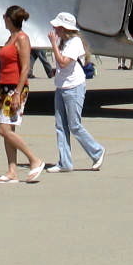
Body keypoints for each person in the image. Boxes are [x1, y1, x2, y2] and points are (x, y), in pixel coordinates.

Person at [0, 5, 45, 184]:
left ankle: (34, 159)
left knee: (4, 129)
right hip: (5, 87)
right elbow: (4, 68)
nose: (2, 19)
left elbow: (26, 67)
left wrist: (17, 93)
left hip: (16, 88)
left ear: (9, 19)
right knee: (7, 130)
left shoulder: (22, 38)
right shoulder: (10, 38)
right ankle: (12, 171)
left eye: (4, 16)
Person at [45, 11, 104, 174]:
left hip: (74, 88)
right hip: (62, 86)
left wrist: (53, 45)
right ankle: (65, 162)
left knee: (74, 125)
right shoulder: (64, 42)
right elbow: (63, 65)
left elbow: (64, 62)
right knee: (60, 125)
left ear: (64, 28)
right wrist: (54, 70)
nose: (54, 30)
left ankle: (97, 151)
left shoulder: (75, 42)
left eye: (57, 27)